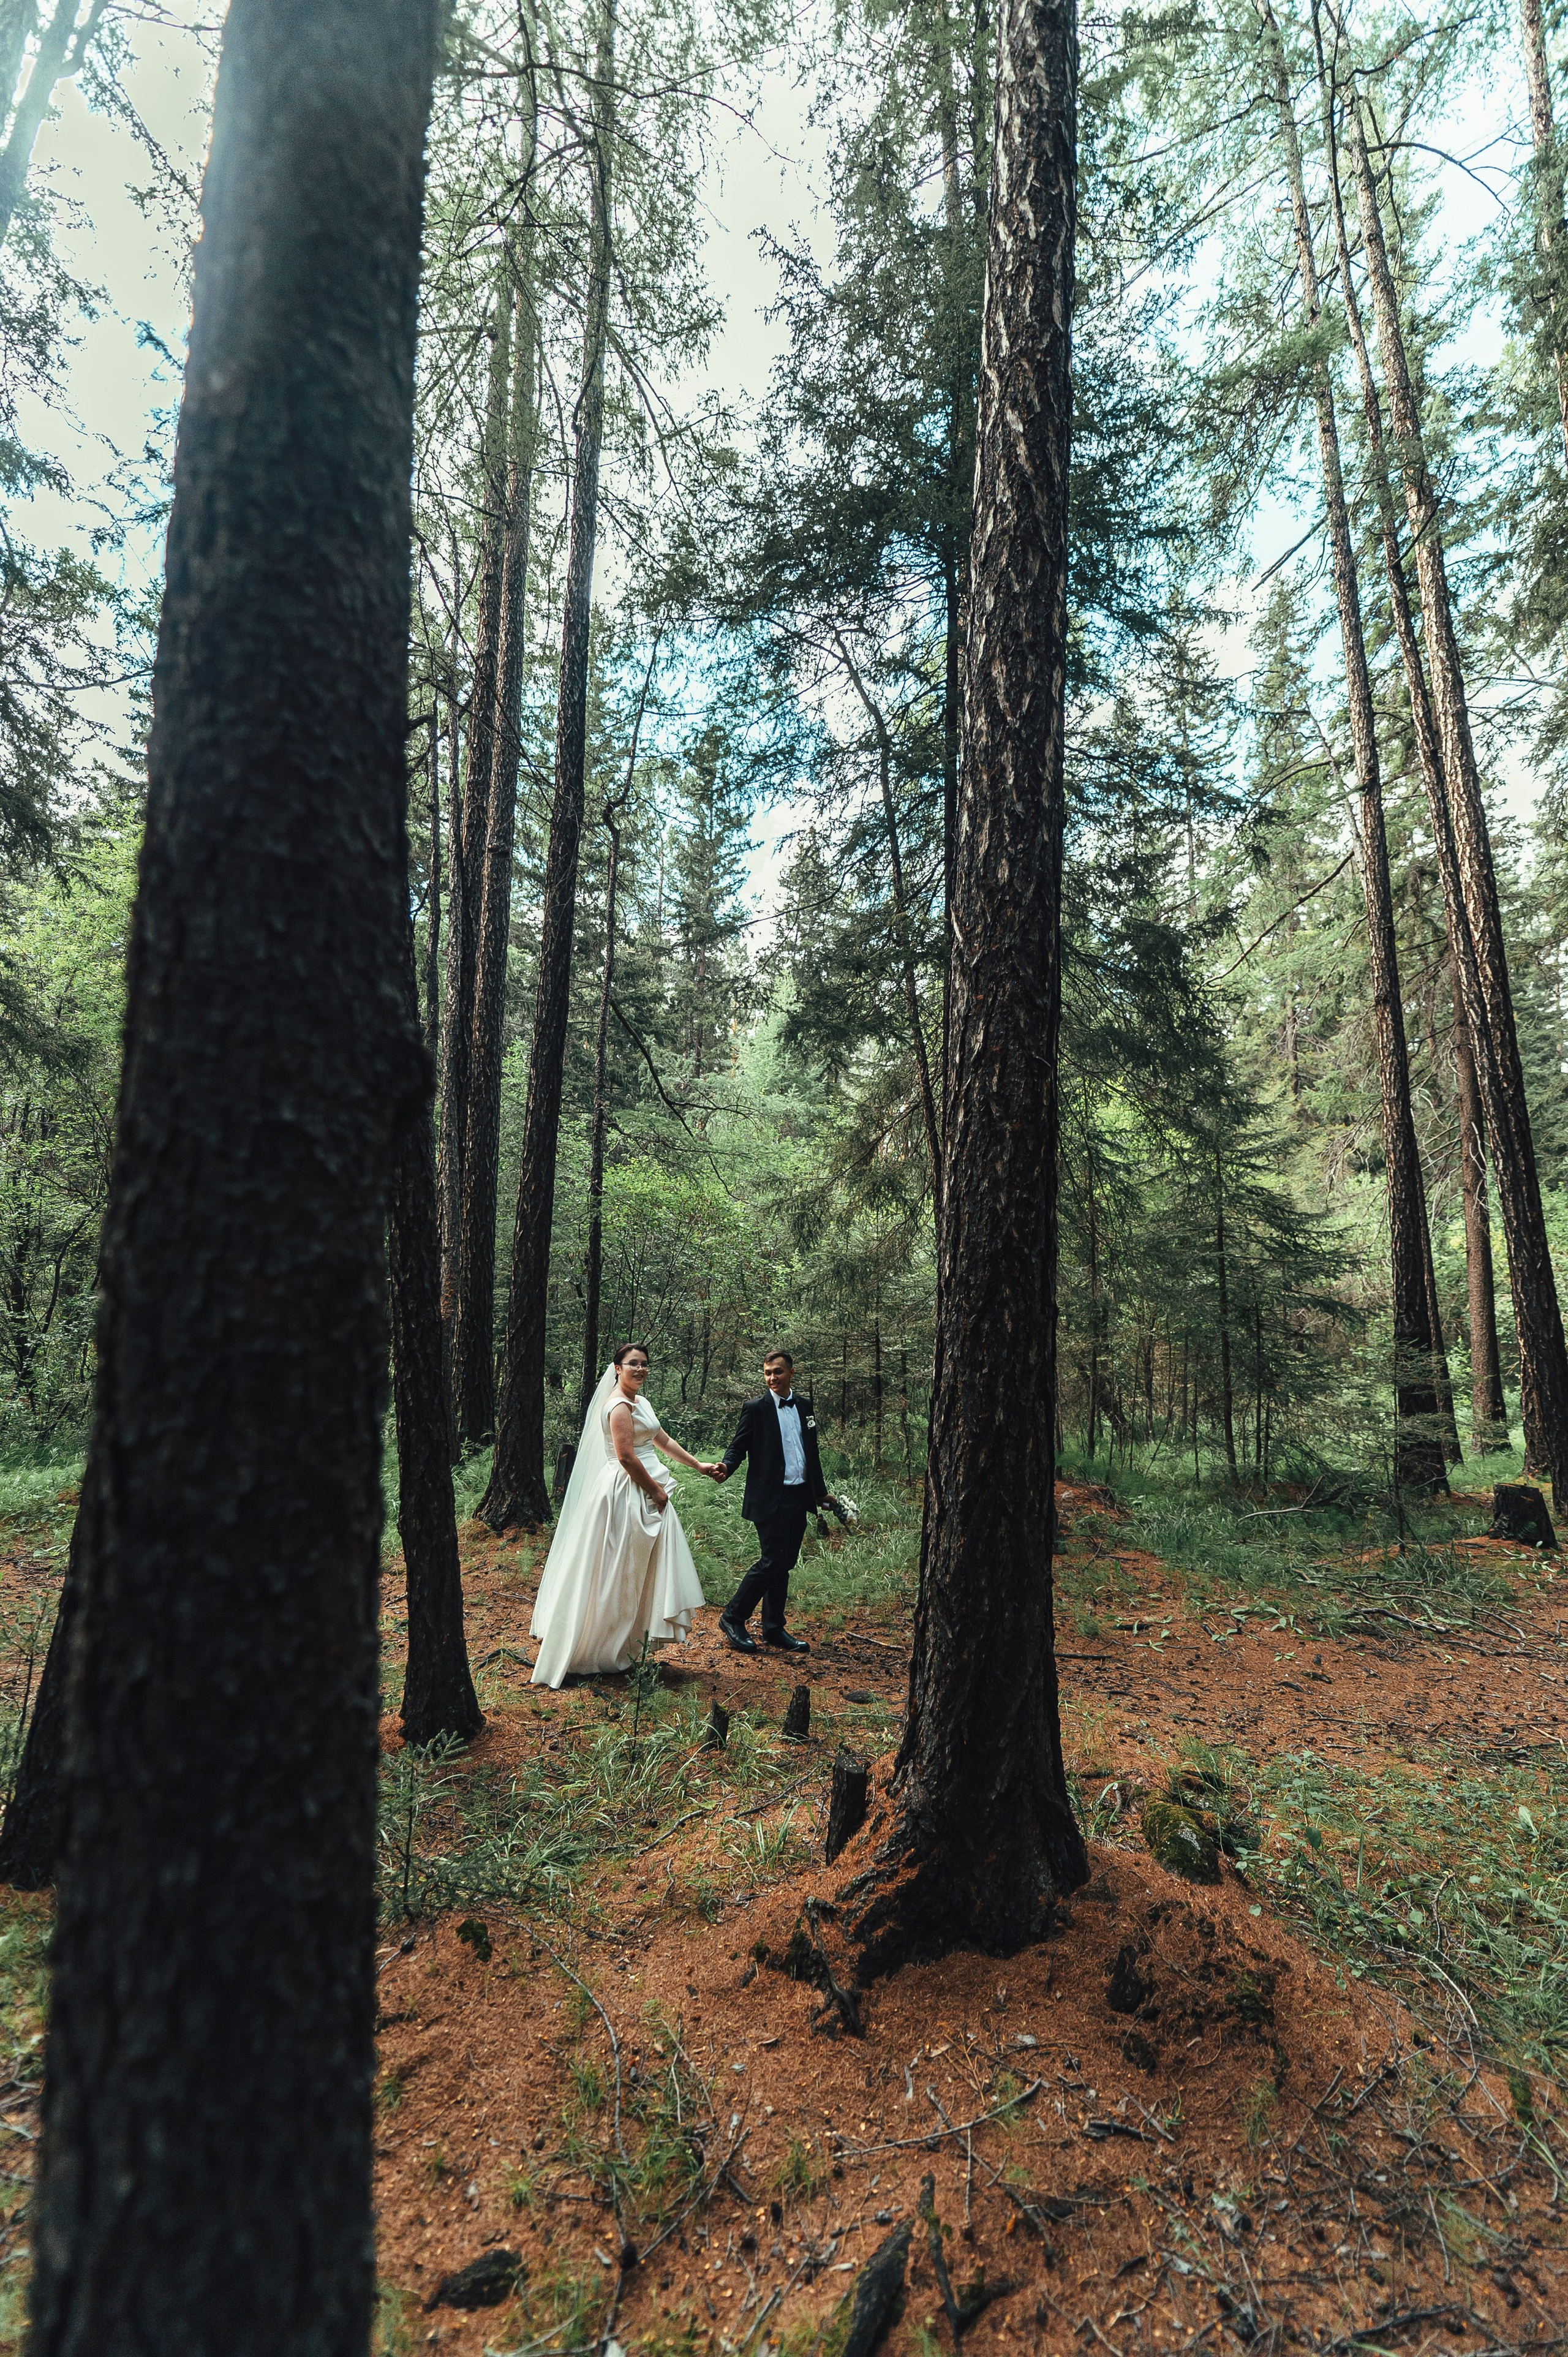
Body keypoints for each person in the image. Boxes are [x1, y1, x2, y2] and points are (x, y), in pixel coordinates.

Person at [529, 1343, 723, 1689]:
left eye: (645, 1364)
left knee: (640, 1570)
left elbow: (661, 1439)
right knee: (617, 1570)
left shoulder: (641, 1402)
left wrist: (699, 1465)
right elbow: (626, 1458)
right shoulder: (618, 1405)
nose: (640, 1369)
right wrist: (656, 1491)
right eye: (633, 1364)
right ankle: (597, 1645)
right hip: (627, 1492)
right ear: (617, 1368)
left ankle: (630, 1640)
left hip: (649, 1490)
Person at [715, 1348, 834, 1654]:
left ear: (791, 1373)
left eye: (778, 1372)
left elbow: (812, 1453)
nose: (772, 1378)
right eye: (768, 1373)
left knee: (785, 1564)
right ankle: (733, 1617)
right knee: (773, 1560)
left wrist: (819, 1492)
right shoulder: (755, 1409)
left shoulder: (805, 1407)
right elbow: (738, 1446)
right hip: (770, 1497)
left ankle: (773, 1628)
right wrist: (727, 1467)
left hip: (799, 1496)